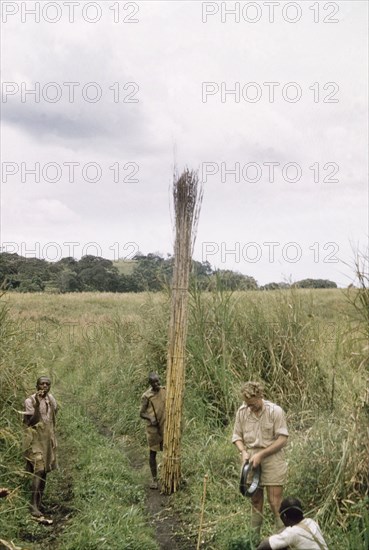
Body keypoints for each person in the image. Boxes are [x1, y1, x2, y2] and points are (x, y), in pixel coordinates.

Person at [232, 381, 289, 543]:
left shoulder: (275, 411)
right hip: (251, 459)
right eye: (247, 404)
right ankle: (254, 540)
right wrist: (243, 452)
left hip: (272, 457)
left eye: (253, 404)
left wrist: (262, 455)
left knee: (274, 501)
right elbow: (237, 437)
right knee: (256, 500)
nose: (250, 407)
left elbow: (282, 439)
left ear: (260, 396)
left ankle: (282, 540)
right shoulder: (242, 412)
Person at [23, 376, 58, 517]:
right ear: (36, 385)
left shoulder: (51, 399)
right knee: (38, 470)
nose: (44, 386)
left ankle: (39, 502)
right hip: (34, 439)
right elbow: (31, 422)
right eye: (41, 383)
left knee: (45, 471)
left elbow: (53, 416)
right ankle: (33, 506)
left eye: (47, 384)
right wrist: (37, 405)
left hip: (47, 440)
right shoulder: (30, 401)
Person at [256, 496, 328, 549]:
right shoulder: (311, 522)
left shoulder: (292, 533)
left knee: (278, 546)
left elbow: (265, 545)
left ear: (284, 516)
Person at [140, 372, 166, 489]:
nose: (157, 384)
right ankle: (154, 479)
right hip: (153, 429)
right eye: (154, 382)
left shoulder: (164, 391)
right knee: (153, 452)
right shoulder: (146, 396)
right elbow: (142, 413)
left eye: (158, 381)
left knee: (169, 450)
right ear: (150, 383)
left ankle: (170, 474)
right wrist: (150, 418)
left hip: (165, 426)